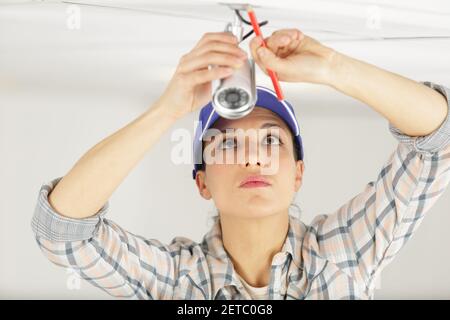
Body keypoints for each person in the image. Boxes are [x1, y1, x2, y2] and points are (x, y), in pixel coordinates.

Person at [31, 29, 450, 299]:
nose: (252, 156)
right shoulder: (177, 282)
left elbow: (439, 138)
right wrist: (165, 110)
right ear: (202, 182)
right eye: (227, 144)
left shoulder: (344, 255)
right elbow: (63, 232)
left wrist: (333, 69)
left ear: (297, 173)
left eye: (271, 140)